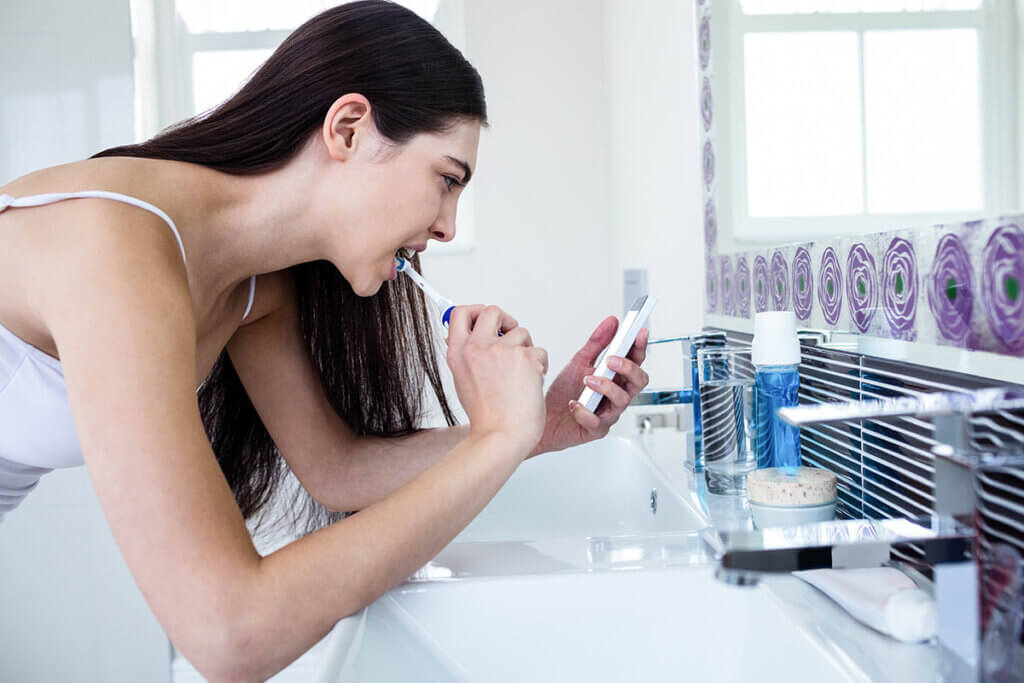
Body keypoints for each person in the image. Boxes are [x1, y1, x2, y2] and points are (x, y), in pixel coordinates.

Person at [0, 1, 650, 679]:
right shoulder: (118, 251)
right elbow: (229, 634)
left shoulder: (258, 288)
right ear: (347, 128)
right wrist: (494, 444)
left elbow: (337, 469)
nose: (450, 226)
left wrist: (533, 426)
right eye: (448, 179)